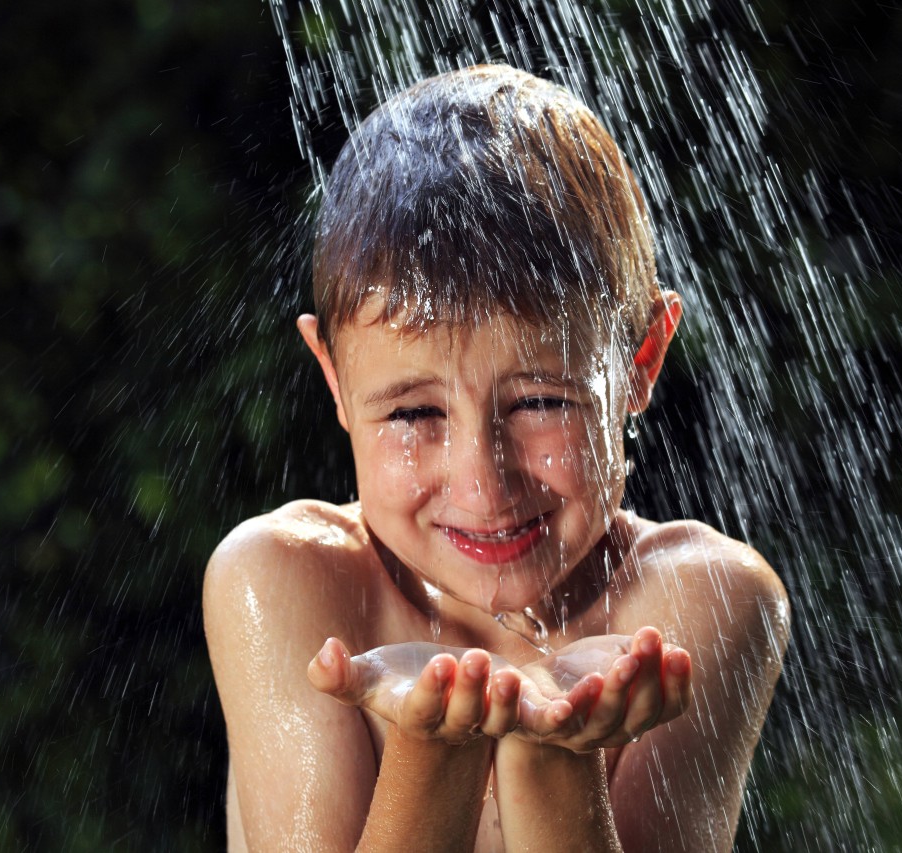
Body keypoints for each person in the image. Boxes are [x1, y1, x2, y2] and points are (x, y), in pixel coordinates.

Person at [203, 64, 789, 852]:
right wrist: (435, 745)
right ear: (336, 379)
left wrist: (556, 749)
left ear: (641, 361)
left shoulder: (699, 602)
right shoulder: (286, 581)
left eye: (541, 401)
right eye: (413, 412)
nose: (484, 482)